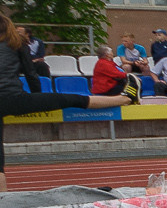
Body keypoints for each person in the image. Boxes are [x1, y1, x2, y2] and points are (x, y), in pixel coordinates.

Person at [0, 14, 138, 188]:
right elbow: (31, 75)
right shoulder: (17, 43)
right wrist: (37, 98)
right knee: (73, 99)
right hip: (12, 98)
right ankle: (125, 98)